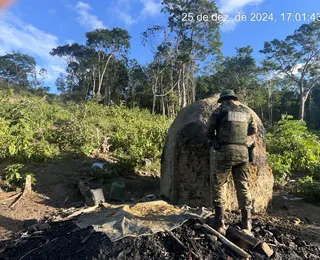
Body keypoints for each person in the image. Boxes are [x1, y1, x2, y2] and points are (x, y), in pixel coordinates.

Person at [205, 89, 257, 233]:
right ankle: (247, 222)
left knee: (218, 185)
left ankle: (219, 222)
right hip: (243, 153)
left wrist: (215, 138)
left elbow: (208, 131)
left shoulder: (219, 111)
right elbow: (253, 130)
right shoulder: (247, 112)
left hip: (224, 152)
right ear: (234, 99)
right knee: (243, 186)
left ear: (223, 100)